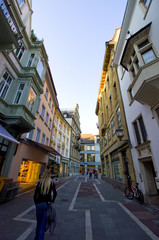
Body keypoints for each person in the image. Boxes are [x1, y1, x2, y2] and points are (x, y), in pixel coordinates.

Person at [34, 170, 57, 240]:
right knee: (42, 225)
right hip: (46, 204)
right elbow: (55, 193)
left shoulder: (40, 182)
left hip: (39, 204)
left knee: (38, 223)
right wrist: (52, 201)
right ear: (49, 175)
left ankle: (36, 238)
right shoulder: (51, 182)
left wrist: (36, 203)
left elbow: (35, 195)